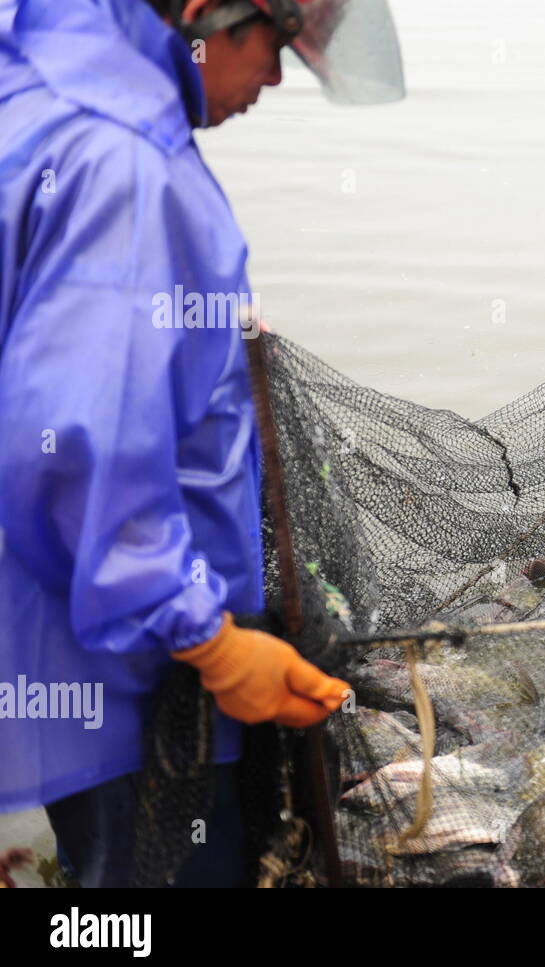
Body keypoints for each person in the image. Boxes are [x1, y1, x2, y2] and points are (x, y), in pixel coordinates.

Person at [0, 0, 404, 886]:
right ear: (202, 17)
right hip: (134, 675)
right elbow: (72, 451)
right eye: (272, 46)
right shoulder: (124, 169)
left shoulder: (39, 75)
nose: (273, 77)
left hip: (50, 633)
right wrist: (210, 644)